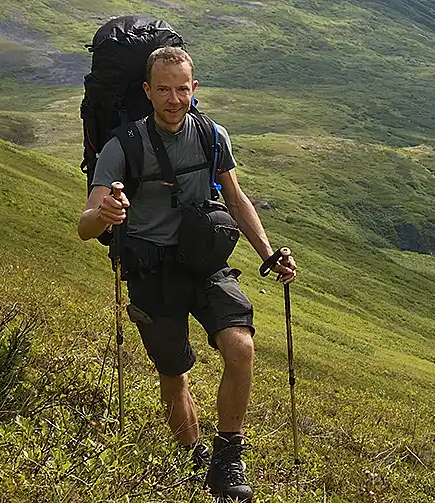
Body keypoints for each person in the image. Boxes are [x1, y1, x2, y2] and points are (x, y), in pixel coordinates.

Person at [76, 46, 294, 502]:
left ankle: (228, 454)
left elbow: (236, 200)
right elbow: (85, 224)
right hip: (151, 270)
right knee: (174, 373)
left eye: (182, 89)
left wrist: (269, 255)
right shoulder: (123, 145)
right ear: (147, 91)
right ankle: (194, 459)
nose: (174, 99)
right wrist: (107, 214)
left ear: (194, 88)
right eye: (164, 90)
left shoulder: (213, 135)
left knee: (241, 346)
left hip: (206, 262)